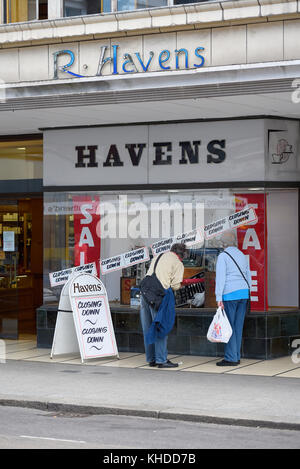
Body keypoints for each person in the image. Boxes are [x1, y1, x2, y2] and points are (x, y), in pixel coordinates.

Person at [140, 243, 203, 368]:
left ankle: (151, 359)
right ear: (183, 255)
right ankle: (161, 360)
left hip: (144, 293)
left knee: (147, 327)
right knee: (160, 326)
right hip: (158, 296)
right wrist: (185, 282)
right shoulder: (178, 263)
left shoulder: (158, 256)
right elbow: (175, 285)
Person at [215, 231, 252, 366]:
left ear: (223, 244)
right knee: (238, 326)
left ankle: (231, 358)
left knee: (228, 327)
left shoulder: (223, 256)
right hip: (243, 293)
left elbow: (220, 278)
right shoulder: (242, 255)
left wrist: (219, 297)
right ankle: (236, 355)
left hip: (230, 294)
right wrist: (248, 292)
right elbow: (248, 275)